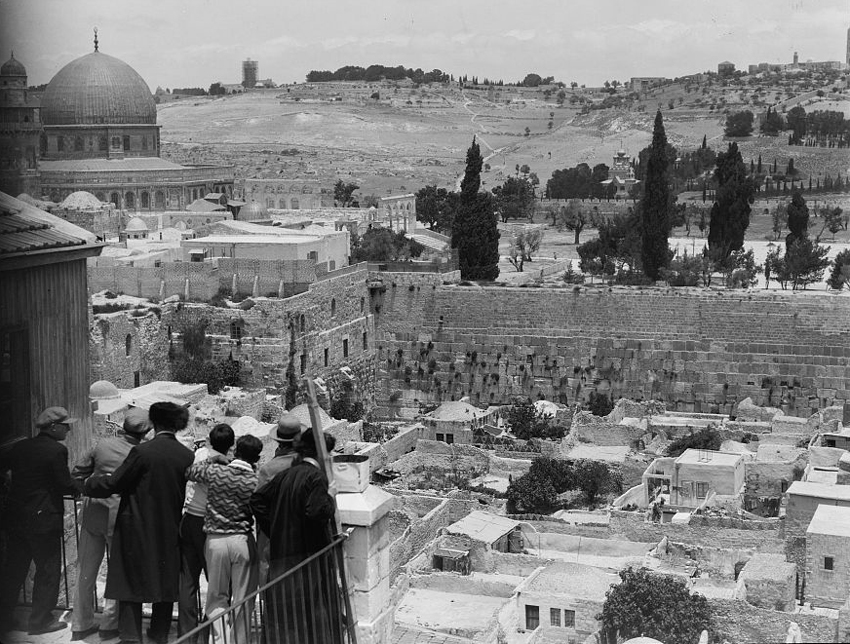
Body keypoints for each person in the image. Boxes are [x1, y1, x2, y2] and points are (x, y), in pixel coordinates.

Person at [85, 402, 193, 644]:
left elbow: (116, 483)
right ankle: (159, 632)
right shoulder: (186, 455)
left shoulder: (142, 453)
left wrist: (89, 485)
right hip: (169, 525)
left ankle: (131, 636)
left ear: (153, 423)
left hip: (136, 523)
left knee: (129, 580)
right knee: (165, 581)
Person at [250, 431, 342, 644]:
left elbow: (257, 500)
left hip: (283, 556)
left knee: (285, 619)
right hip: (308, 562)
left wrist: (277, 529)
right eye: (329, 453)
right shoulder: (317, 478)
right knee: (311, 616)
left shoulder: (286, 474)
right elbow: (316, 511)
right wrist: (330, 496)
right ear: (321, 454)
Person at [70, 407, 152, 641]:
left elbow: (77, 473)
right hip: (121, 518)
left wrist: (88, 491)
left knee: (86, 572)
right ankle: (108, 624)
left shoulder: (101, 445)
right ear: (145, 431)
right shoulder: (141, 452)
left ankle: (80, 623)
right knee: (117, 574)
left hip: (94, 513)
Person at [0, 407, 82, 636]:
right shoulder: (56, 451)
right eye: (65, 425)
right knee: (47, 571)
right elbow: (65, 484)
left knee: (14, 570)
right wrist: (81, 487)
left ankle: (4, 620)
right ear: (53, 427)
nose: (68, 429)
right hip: (43, 520)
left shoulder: (20, 446)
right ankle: (40, 621)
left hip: (17, 517)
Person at [187, 434, 262, 643]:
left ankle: (220, 640)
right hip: (242, 540)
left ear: (235, 451)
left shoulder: (216, 471)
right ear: (256, 459)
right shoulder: (254, 481)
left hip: (215, 540)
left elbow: (190, 472)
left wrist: (212, 458)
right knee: (243, 598)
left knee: (216, 596)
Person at [178, 423, 235, 639]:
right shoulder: (228, 466)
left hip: (190, 518)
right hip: (211, 524)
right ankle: (210, 632)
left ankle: (188, 635)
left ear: (209, 440)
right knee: (218, 583)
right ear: (231, 445)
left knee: (187, 580)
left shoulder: (198, 455)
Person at [254, 413, 301, 583]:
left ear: (278, 441)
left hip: (273, 533)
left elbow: (258, 503)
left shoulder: (269, 469)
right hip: (299, 532)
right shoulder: (306, 464)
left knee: (270, 576)